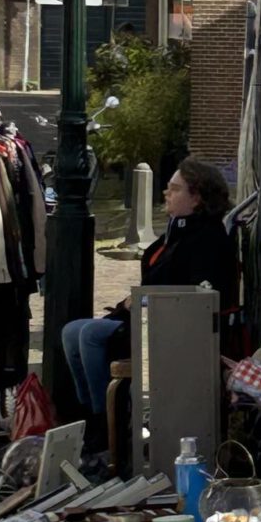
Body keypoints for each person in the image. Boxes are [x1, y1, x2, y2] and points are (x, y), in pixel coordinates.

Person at [61, 156, 237, 446]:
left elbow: (199, 293)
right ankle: (91, 412)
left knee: (91, 335)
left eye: (175, 189)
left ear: (197, 198)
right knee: (71, 331)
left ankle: (108, 430)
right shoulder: (176, 230)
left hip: (171, 331)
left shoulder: (208, 238)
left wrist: (144, 301)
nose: (167, 194)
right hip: (145, 318)